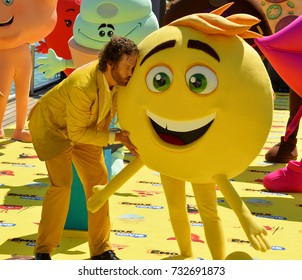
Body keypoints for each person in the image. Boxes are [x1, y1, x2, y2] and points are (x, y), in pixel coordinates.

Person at [28, 36, 139, 260]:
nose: (131, 72)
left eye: (133, 67)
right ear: (110, 64)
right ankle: (43, 251)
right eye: (128, 67)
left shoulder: (120, 80)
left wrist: (134, 138)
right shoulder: (82, 85)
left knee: (99, 184)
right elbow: (76, 133)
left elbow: (113, 118)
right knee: (62, 185)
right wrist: (115, 137)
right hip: (54, 128)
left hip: (85, 128)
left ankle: (101, 249)